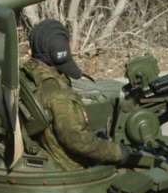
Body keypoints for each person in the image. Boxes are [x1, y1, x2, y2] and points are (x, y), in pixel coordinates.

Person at [20, 18, 134, 168]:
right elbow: (77, 140)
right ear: (60, 50)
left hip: (48, 150)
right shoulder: (59, 95)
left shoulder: (27, 74)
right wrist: (118, 153)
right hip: (69, 166)